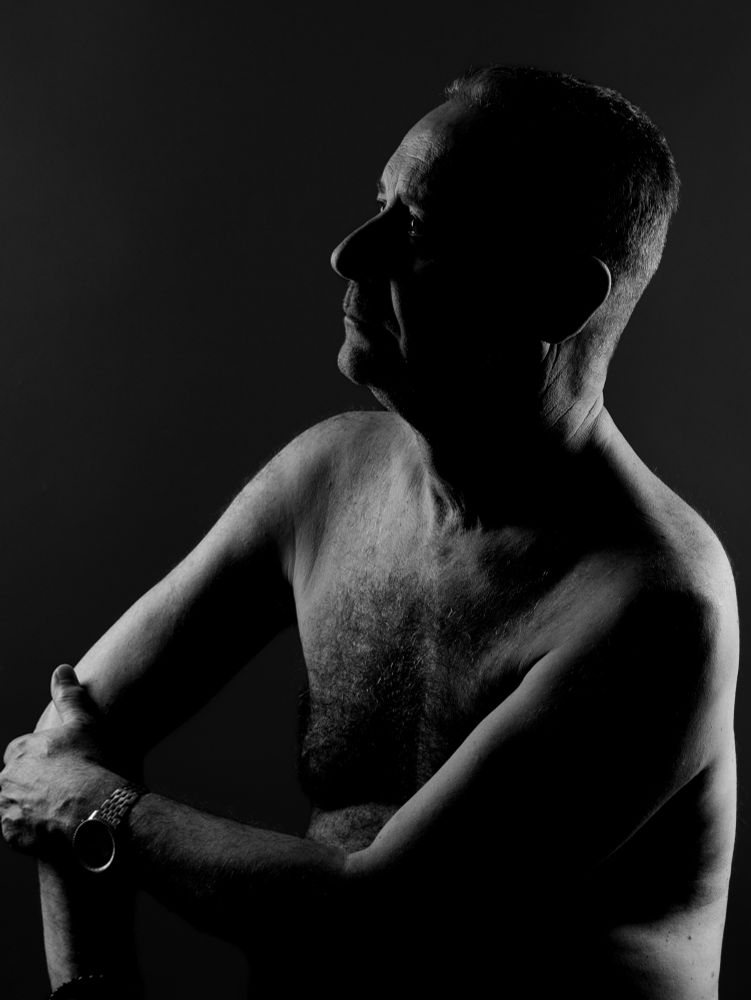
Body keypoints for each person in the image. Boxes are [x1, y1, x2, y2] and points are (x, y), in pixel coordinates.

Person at [0, 65, 738, 999]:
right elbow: (77, 734)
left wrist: (97, 815)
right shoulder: (327, 478)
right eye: (378, 204)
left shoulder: (653, 609)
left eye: (418, 228)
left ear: (557, 297)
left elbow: (383, 923)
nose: (349, 254)